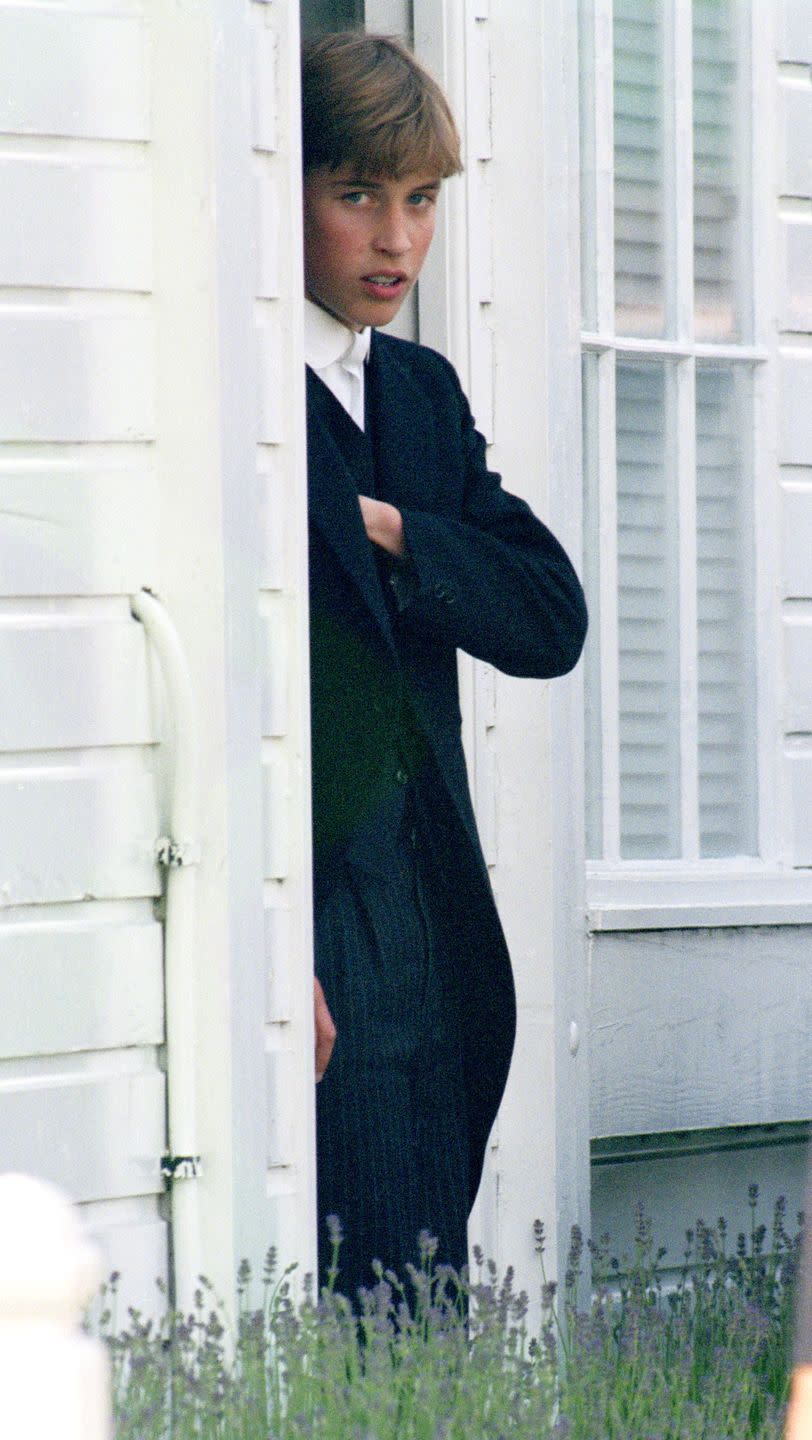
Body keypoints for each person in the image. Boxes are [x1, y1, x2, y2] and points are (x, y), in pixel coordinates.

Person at [302, 30, 588, 1303]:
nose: (394, 241)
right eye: (355, 193)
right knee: (350, 1304)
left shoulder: (415, 395)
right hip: (316, 914)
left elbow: (546, 616)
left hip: (435, 921)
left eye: (418, 200)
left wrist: (397, 528)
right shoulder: (232, 391)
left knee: (425, 1297)